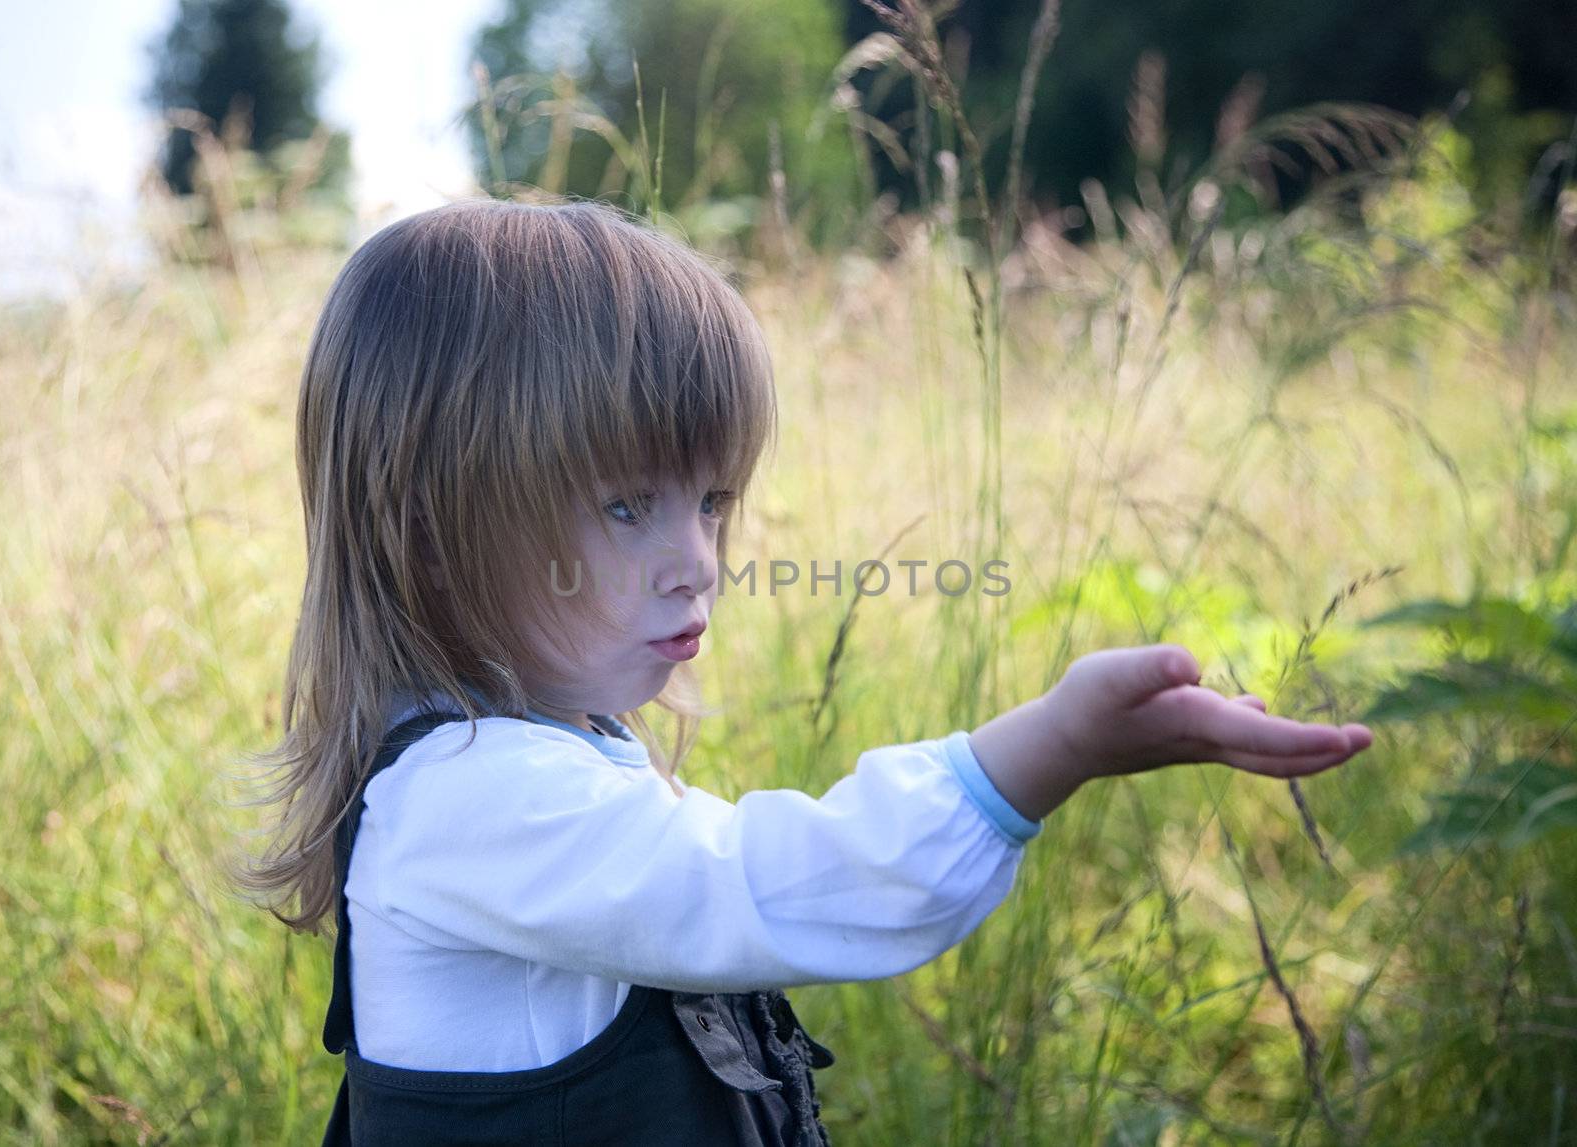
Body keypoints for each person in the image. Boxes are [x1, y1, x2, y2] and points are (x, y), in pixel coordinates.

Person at [230, 197, 1373, 1146]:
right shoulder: (469, 797)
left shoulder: (540, 747)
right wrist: (1048, 749)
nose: (697, 562)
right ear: (436, 527)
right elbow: (762, 884)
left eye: (712, 500)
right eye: (627, 506)